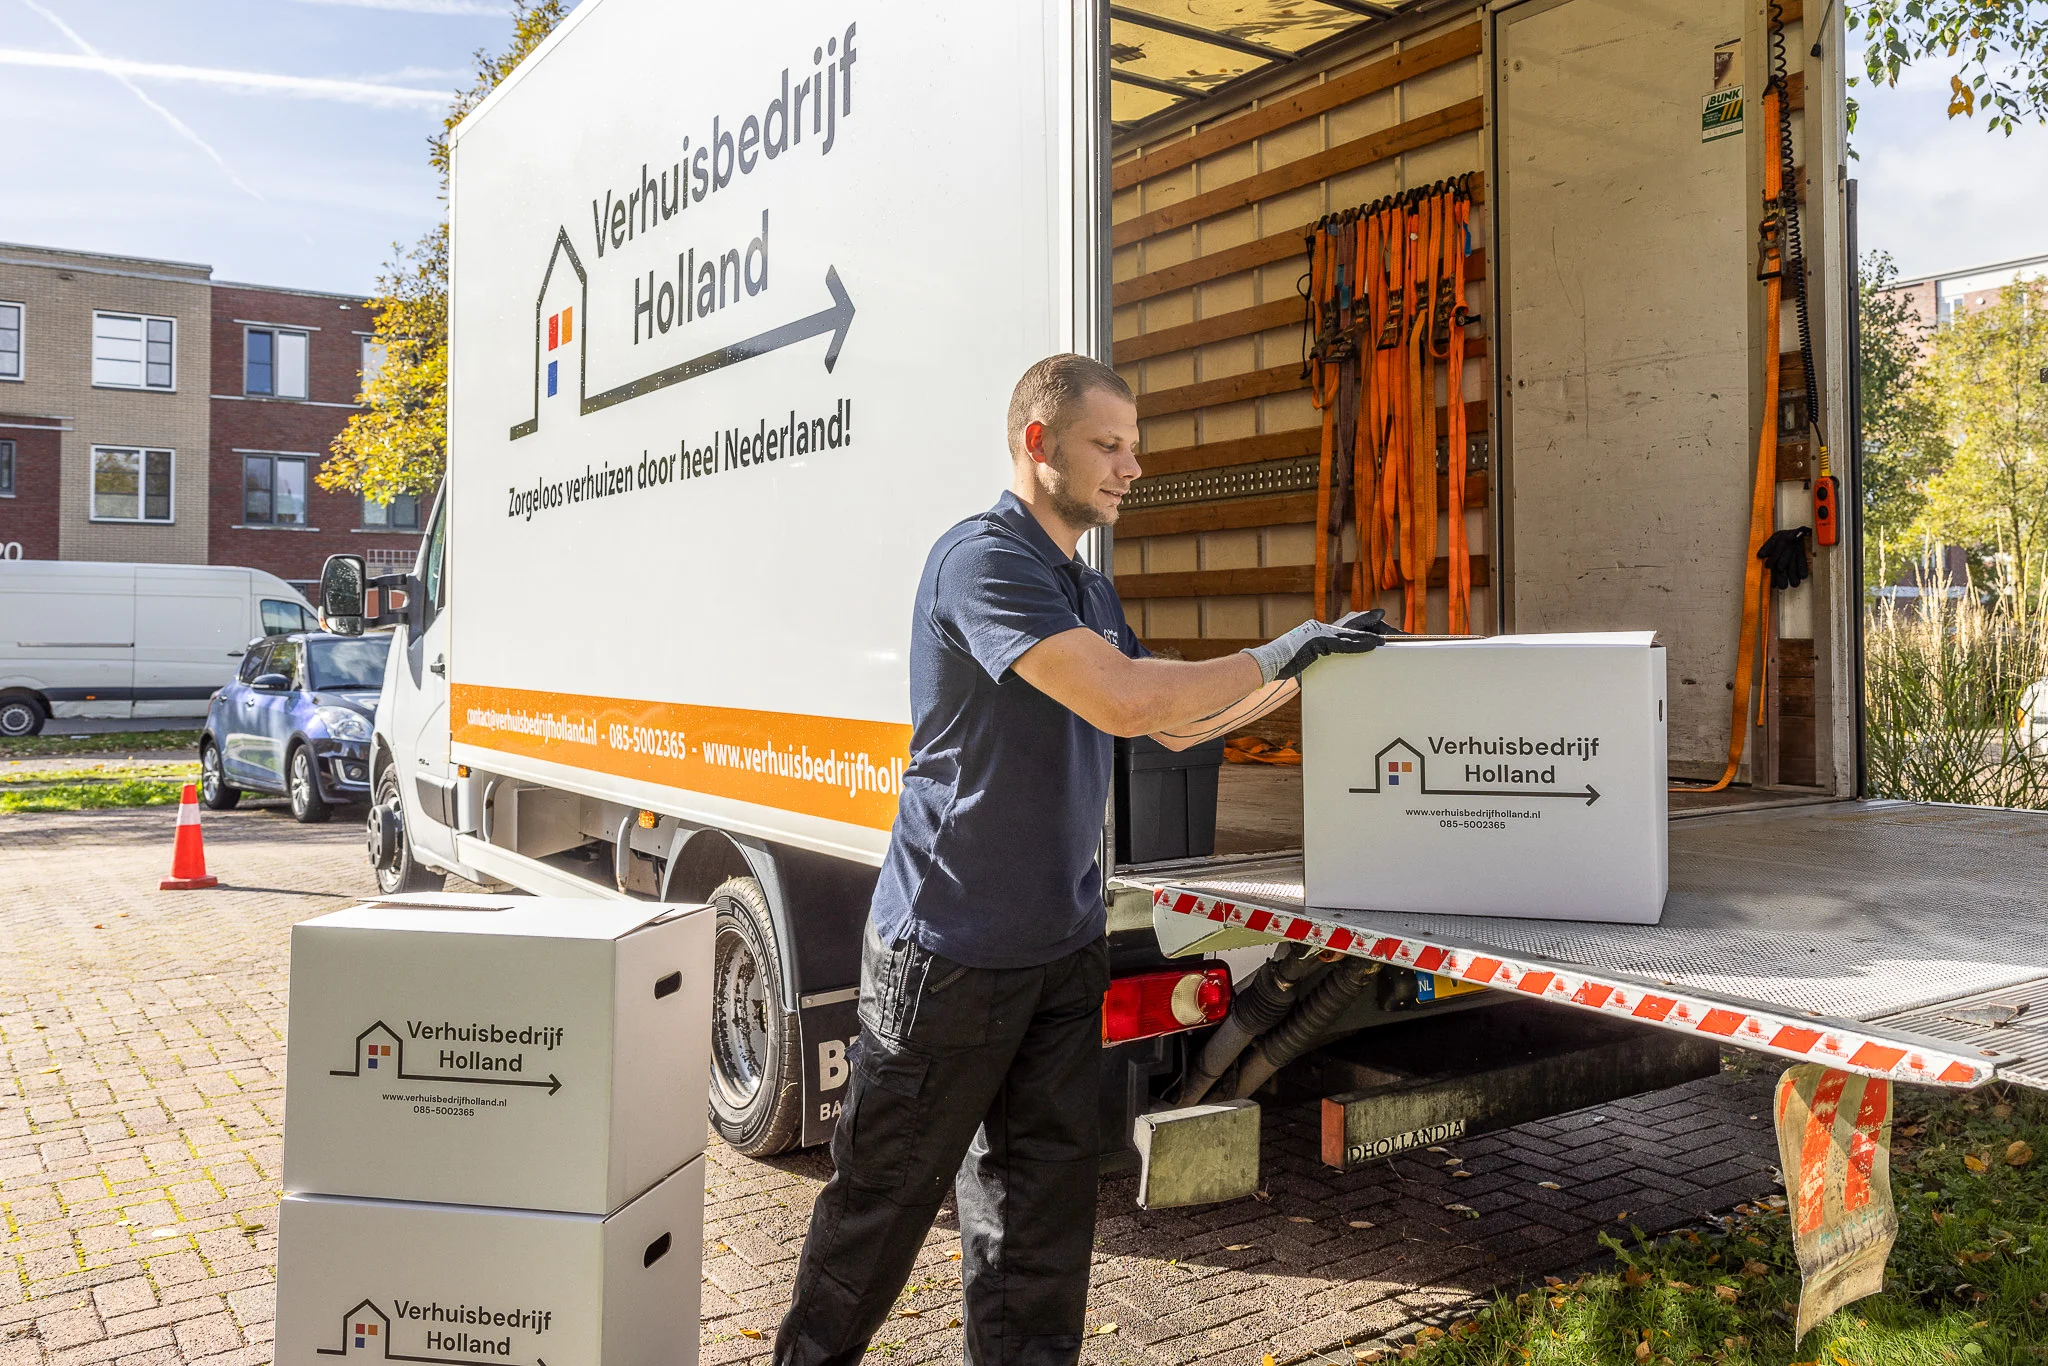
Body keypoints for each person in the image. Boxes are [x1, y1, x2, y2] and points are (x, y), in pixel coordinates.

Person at [774, 353, 1389, 1365]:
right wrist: (1281, 649)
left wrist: (1308, 675)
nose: (1130, 466)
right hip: (952, 953)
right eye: (1108, 444)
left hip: (1061, 945)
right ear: (1037, 443)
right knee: (878, 1213)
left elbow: (1176, 730)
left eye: (1132, 445)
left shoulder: (1084, 589)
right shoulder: (981, 560)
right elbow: (1126, 699)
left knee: (1037, 1223)